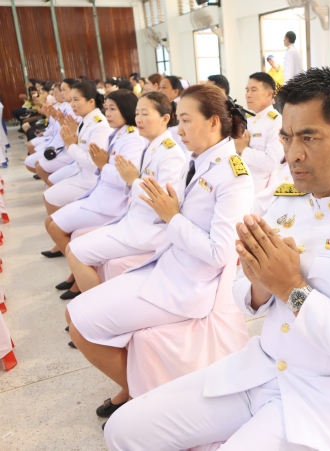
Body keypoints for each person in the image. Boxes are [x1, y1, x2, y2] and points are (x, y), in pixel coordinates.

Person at [103, 66, 330, 451]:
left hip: (325, 400)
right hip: (259, 369)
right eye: (287, 138)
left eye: (309, 137)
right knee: (123, 429)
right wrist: (259, 284)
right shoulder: (286, 202)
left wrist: (293, 289)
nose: (293, 154)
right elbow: (243, 296)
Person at [66, 82, 254, 426]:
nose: (178, 130)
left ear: (213, 122)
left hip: (189, 285)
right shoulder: (196, 160)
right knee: (78, 316)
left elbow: (219, 252)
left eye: (186, 120)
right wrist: (163, 209)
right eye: (178, 121)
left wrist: (172, 217)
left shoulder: (234, 176)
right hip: (166, 265)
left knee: (79, 322)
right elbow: (170, 209)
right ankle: (135, 390)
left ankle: (139, 399)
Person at [66, 92, 185, 293]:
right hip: (133, 220)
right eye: (137, 113)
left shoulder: (170, 154)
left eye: (145, 114)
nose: (138, 119)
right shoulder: (151, 145)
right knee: (73, 247)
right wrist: (131, 180)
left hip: (149, 229)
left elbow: (163, 202)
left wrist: (132, 180)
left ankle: (94, 306)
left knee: (76, 253)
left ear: (165, 118)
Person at [45, 90, 146, 300]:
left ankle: (83, 284)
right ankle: (77, 276)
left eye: (112, 109)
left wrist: (102, 165)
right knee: (52, 223)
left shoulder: (133, 139)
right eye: (106, 108)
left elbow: (125, 179)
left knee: (55, 226)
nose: (107, 113)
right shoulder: (119, 133)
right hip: (101, 193)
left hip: (113, 202)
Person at [42, 81, 112, 216]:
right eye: (71, 100)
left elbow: (92, 161)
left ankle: (63, 224)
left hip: (91, 179)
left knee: (50, 198)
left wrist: (71, 145)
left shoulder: (99, 125)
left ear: (91, 101)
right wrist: (72, 140)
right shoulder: (86, 120)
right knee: (49, 194)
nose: (72, 104)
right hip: (81, 172)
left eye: (76, 100)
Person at [234, 72, 283, 193]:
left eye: (254, 90)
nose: (248, 95)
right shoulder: (249, 120)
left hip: (261, 190)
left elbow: (273, 161)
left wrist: (243, 150)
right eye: (247, 90)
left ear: (269, 94)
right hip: (240, 184)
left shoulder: (276, 122)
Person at [159, 75, 186, 151]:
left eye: (164, 87)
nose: (160, 91)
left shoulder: (179, 107)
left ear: (175, 91)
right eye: (159, 87)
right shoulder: (168, 105)